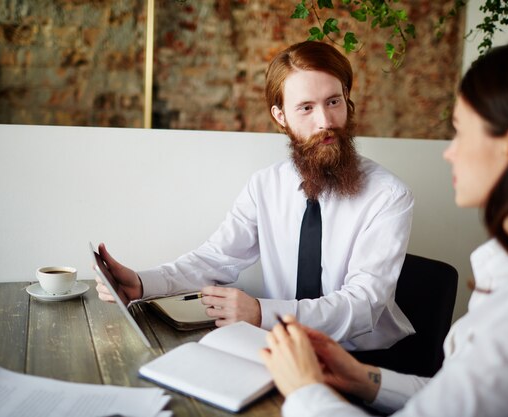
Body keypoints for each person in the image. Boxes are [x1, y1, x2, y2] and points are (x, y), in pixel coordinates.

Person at [260, 38, 508, 416]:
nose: (449, 152)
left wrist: (304, 390)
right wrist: (361, 377)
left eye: (460, 131)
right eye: (306, 107)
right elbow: (449, 397)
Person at [95, 41, 415, 351]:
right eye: (306, 107)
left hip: (364, 359)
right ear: (280, 116)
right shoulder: (265, 185)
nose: (326, 121)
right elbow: (215, 259)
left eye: (333, 102)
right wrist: (141, 283)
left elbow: (364, 306)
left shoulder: (388, 196)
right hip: (279, 347)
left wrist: (262, 313)